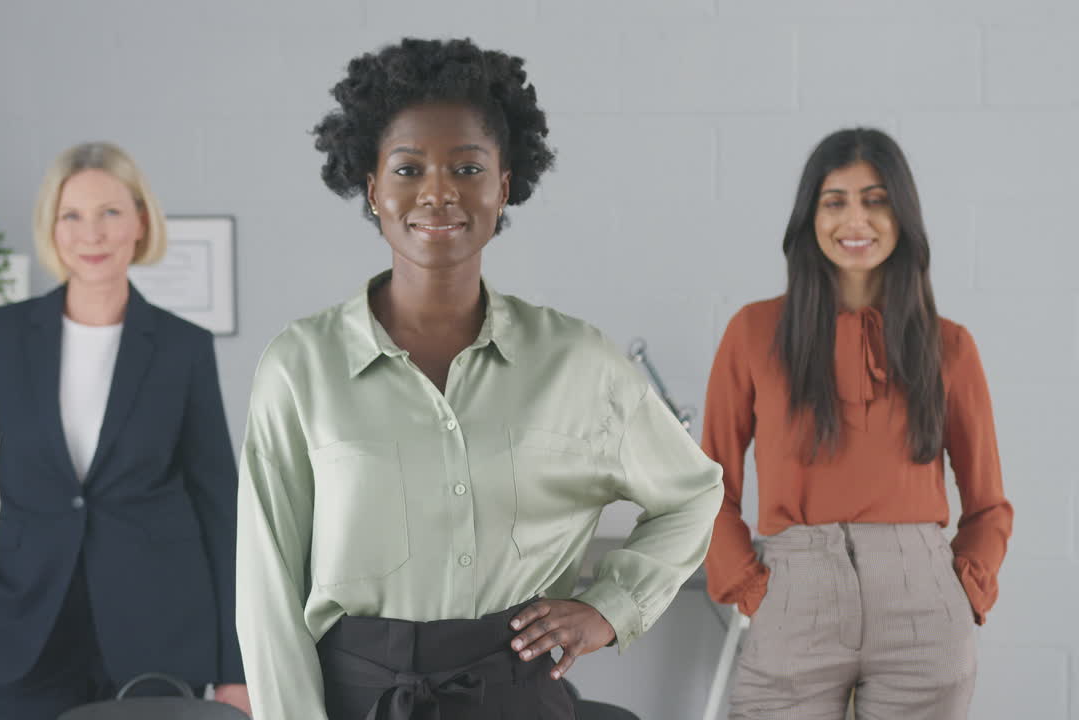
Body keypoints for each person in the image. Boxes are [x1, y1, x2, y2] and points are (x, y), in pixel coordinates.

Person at [235, 38, 724, 720]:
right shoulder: (300, 366)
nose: (438, 192)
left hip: (518, 696)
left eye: (467, 167)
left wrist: (609, 608)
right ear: (373, 189)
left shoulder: (579, 362)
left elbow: (693, 493)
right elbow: (267, 590)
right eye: (408, 169)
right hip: (354, 701)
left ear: (503, 185)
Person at [0, 142, 249, 719]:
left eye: (110, 213)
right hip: (24, 627)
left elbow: (219, 506)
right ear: (51, 227)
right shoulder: (2, 338)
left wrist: (235, 667)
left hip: (157, 633)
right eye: (71, 215)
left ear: (140, 222)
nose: (90, 233)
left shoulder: (182, 347)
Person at [702, 128, 1013, 719]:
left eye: (875, 200)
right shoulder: (753, 333)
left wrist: (965, 590)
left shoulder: (950, 347)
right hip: (795, 596)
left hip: (923, 609)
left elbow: (989, 505)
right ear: (809, 217)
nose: (856, 220)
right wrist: (750, 589)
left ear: (902, 216)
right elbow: (706, 486)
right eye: (835, 201)